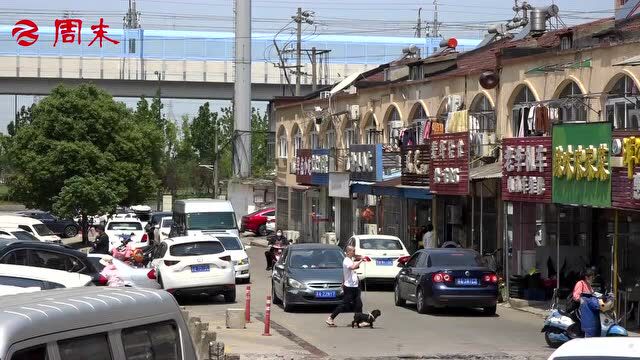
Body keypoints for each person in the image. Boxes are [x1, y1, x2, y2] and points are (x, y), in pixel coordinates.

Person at [326, 245, 365, 327]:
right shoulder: (346, 260)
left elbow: (347, 272)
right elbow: (353, 267)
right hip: (349, 287)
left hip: (355, 286)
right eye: (353, 251)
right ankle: (331, 318)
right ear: (348, 252)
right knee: (344, 304)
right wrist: (361, 260)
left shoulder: (350, 260)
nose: (354, 252)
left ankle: (359, 321)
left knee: (358, 304)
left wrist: (361, 258)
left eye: (354, 251)